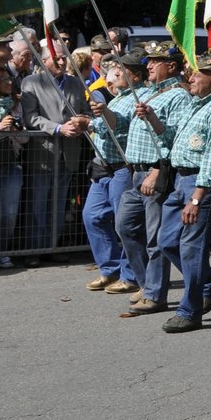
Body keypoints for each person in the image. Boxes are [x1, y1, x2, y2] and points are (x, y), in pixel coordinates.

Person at [157, 57, 211, 332]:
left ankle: (190, 310)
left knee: (191, 248)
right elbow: (171, 137)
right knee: (167, 241)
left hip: (200, 183)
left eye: (197, 75)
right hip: (180, 179)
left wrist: (197, 197)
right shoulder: (197, 104)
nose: (190, 79)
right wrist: (150, 117)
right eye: (191, 74)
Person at [111, 44, 194, 315]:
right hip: (137, 173)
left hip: (154, 172)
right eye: (149, 61)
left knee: (155, 238)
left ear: (171, 66)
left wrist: (159, 169)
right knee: (125, 227)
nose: (149, 65)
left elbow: (177, 137)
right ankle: (147, 285)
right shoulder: (154, 92)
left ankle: (157, 295)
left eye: (156, 62)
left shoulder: (178, 96)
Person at [18, 42, 91, 263]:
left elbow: (85, 112)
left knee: (59, 204)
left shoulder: (76, 83)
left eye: (63, 57)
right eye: (56, 57)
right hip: (43, 154)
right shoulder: (31, 83)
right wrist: (59, 129)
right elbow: (30, 117)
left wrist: (82, 122)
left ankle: (52, 245)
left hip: (69, 154)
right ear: (43, 60)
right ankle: (34, 250)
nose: (61, 61)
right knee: (38, 204)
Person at [81, 57, 136, 289]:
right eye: (108, 75)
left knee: (123, 223)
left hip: (122, 168)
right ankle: (109, 269)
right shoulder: (115, 100)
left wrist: (97, 119)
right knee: (92, 216)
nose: (108, 80)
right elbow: (102, 126)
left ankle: (131, 275)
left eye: (115, 74)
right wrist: (87, 123)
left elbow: (118, 125)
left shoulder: (133, 100)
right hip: (103, 167)